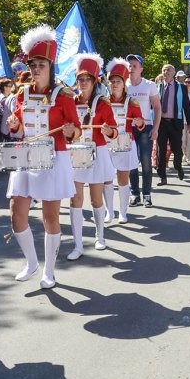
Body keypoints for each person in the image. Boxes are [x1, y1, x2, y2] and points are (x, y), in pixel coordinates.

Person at [5, 26, 81, 289]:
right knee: (16, 215)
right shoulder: (21, 94)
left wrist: (71, 131)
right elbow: (19, 128)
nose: (36, 69)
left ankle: (49, 270)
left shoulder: (64, 96)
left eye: (41, 64)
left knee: (50, 218)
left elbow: (75, 129)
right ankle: (31, 262)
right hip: (26, 156)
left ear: (51, 66)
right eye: (32, 64)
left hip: (53, 158)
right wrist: (15, 125)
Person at [67, 54, 118, 260]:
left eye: (87, 79)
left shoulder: (103, 103)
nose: (83, 83)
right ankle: (77, 244)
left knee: (96, 199)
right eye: (80, 79)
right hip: (76, 153)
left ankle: (100, 236)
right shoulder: (71, 102)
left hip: (97, 153)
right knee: (75, 199)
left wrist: (108, 131)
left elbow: (114, 131)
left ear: (94, 81)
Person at [105, 58, 144, 225]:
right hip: (106, 144)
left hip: (126, 143)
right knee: (106, 178)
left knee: (122, 178)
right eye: (112, 82)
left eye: (118, 82)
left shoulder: (132, 102)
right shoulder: (103, 102)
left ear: (123, 83)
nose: (114, 85)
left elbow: (141, 123)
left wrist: (139, 122)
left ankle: (123, 212)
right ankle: (109, 212)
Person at [126, 54, 161, 207]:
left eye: (134, 65)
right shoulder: (123, 85)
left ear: (141, 68)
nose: (131, 68)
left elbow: (158, 108)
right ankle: (135, 194)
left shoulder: (149, 85)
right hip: (128, 128)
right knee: (132, 162)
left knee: (146, 161)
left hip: (146, 127)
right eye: (130, 65)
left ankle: (147, 193)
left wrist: (155, 128)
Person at [156, 64, 190, 185]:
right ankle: (162, 177)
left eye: (168, 70)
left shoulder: (181, 88)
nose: (165, 72)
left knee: (176, 149)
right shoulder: (158, 87)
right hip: (161, 123)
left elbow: (186, 106)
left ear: (173, 73)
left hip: (175, 123)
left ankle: (178, 167)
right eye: (164, 70)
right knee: (160, 150)